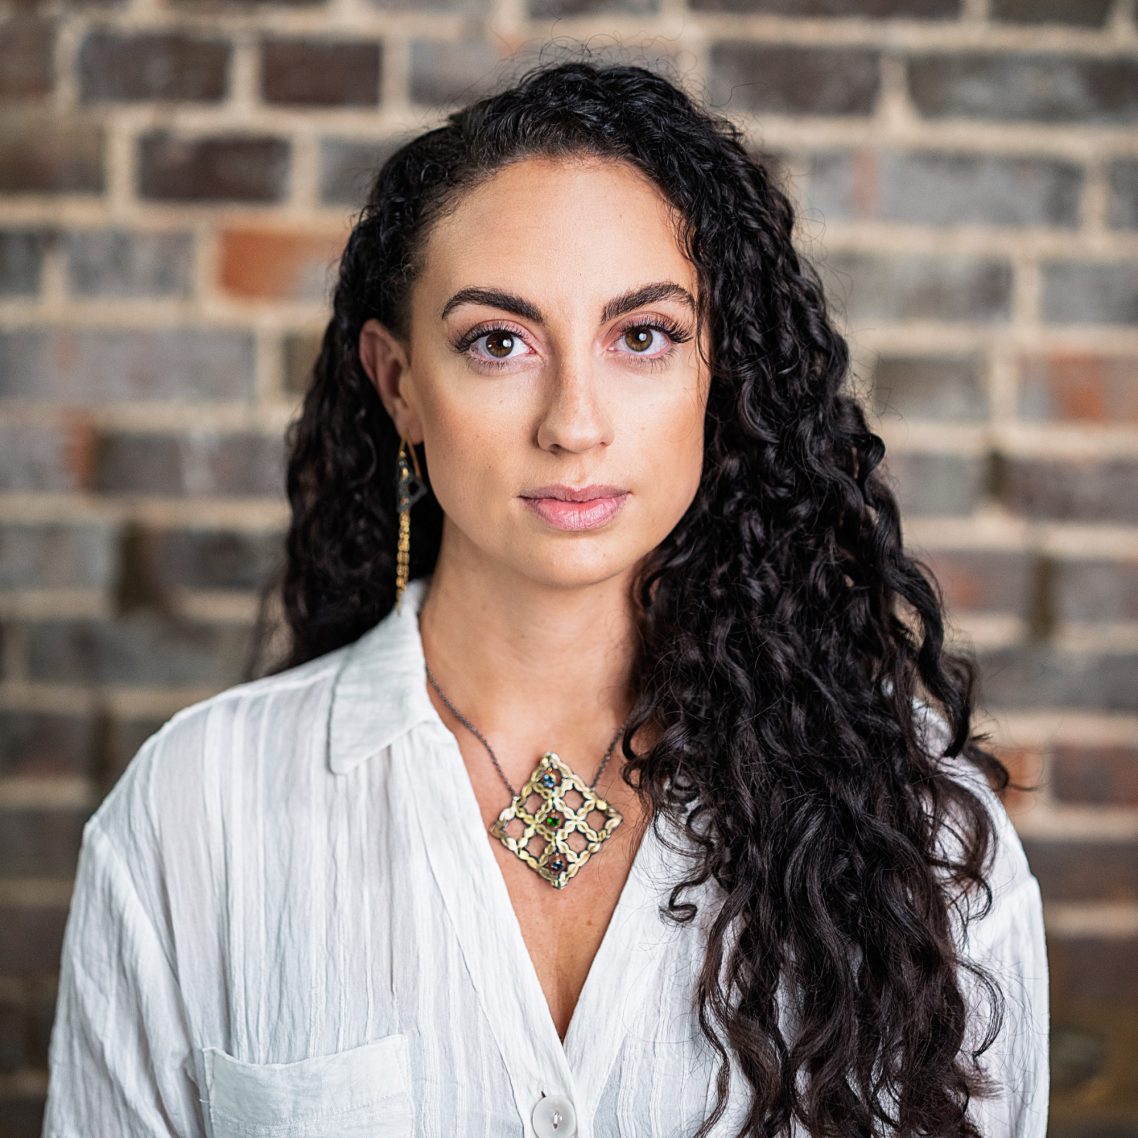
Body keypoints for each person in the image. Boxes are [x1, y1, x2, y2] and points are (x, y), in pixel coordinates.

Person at [42, 56, 1048, 1138]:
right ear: (400, 385)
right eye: (498, 341)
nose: (573, 421)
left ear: (720, 373)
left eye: (643, 336)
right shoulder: (195, 812)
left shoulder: (919, 835)